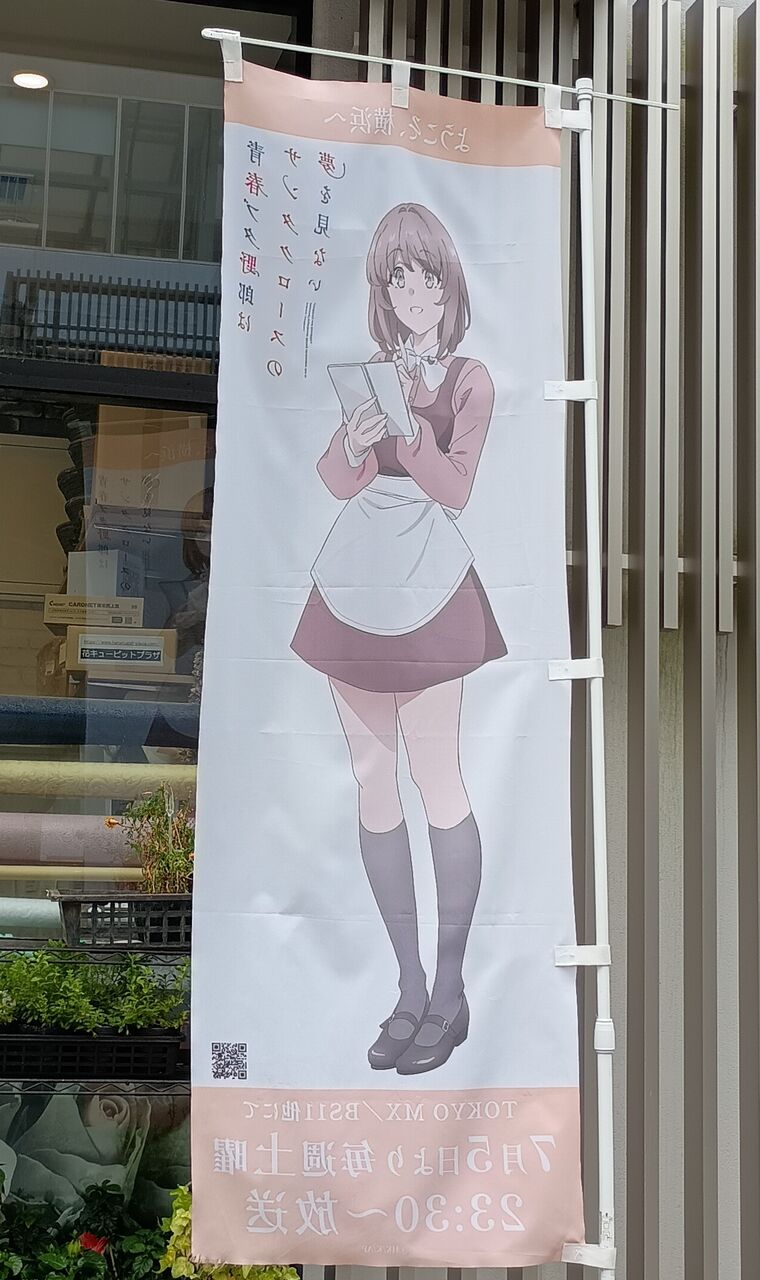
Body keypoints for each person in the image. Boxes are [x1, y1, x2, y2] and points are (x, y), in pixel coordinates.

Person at [292, 203, 506, 1075]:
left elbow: (456, 490)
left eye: (426, 279)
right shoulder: (375, 372)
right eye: (397, 280)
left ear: (449, 284)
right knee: (372, 780)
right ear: (382, 292)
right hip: (354, 575)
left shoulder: (470, 381)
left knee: (438, 778)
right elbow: (333, 479)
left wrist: (410, 436)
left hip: (428, 576)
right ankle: (409, 988)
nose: (413, 295)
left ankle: (451, 991)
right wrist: (355, 440)